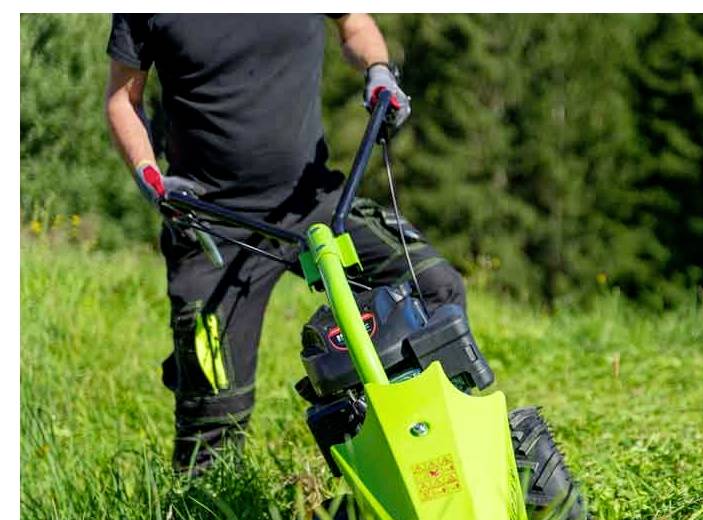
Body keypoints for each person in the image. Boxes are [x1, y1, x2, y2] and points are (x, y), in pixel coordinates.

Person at [104, 14, 466, 475]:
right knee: (214, 415)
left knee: (434, 288)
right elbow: (122, 99)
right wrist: (149, 174)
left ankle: (439, 463)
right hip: (212, 225)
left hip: (315, 201)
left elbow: (355, 25)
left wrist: (377, 69)